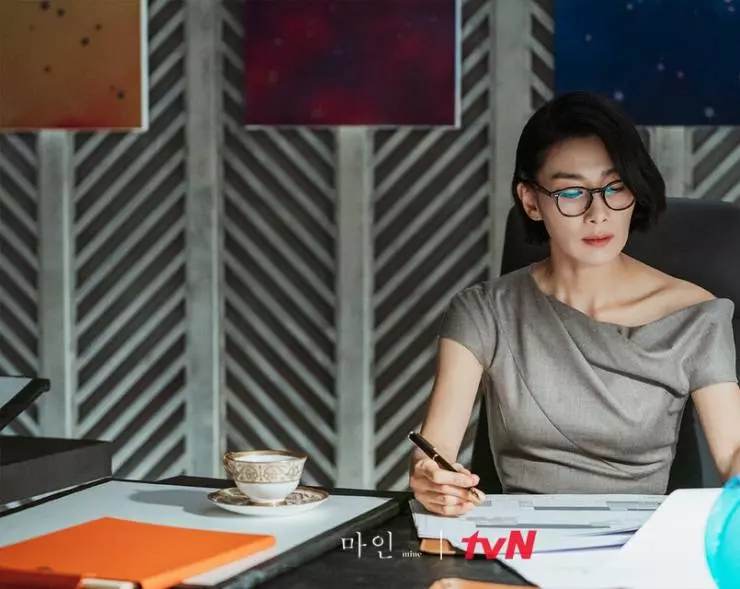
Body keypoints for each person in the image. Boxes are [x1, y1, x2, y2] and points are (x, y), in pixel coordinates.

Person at [409, 91, 740, 516]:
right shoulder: (482, 312)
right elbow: (433, 449)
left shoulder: (695, 314)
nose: (598, 213)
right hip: (517, 542)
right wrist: (431, 479)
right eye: (571, 192)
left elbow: (733, 450)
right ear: (531, 201)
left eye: (615, 188)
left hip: (640, 544)